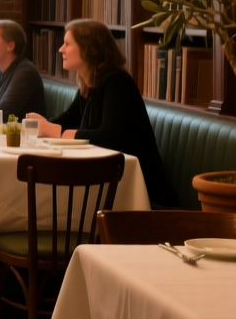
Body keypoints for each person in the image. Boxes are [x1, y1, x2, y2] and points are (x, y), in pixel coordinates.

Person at [26, 18, 177, 207]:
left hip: (135, 189)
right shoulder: (89, 83)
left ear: (90, 48)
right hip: (104, 181)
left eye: (67, 44)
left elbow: (109, 138)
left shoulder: (117, 82)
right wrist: (36, 125)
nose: (61, 49)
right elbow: (68, 118)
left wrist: (54, 131)